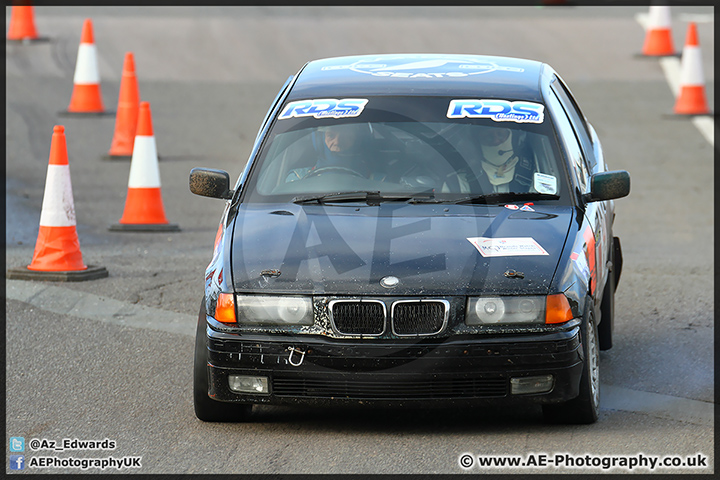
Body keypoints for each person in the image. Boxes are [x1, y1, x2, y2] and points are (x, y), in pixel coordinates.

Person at [285, 123, 374, 182]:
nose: (337, 142)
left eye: (346, 136)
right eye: (331, 136)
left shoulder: (378, 181)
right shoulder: (297, 179)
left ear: (357, 140)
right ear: (320, 139)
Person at [472, 126, 535, 193]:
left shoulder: (533, 174)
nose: (496, 141)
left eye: (500, 135)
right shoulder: (466, 178)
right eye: (488, 137)